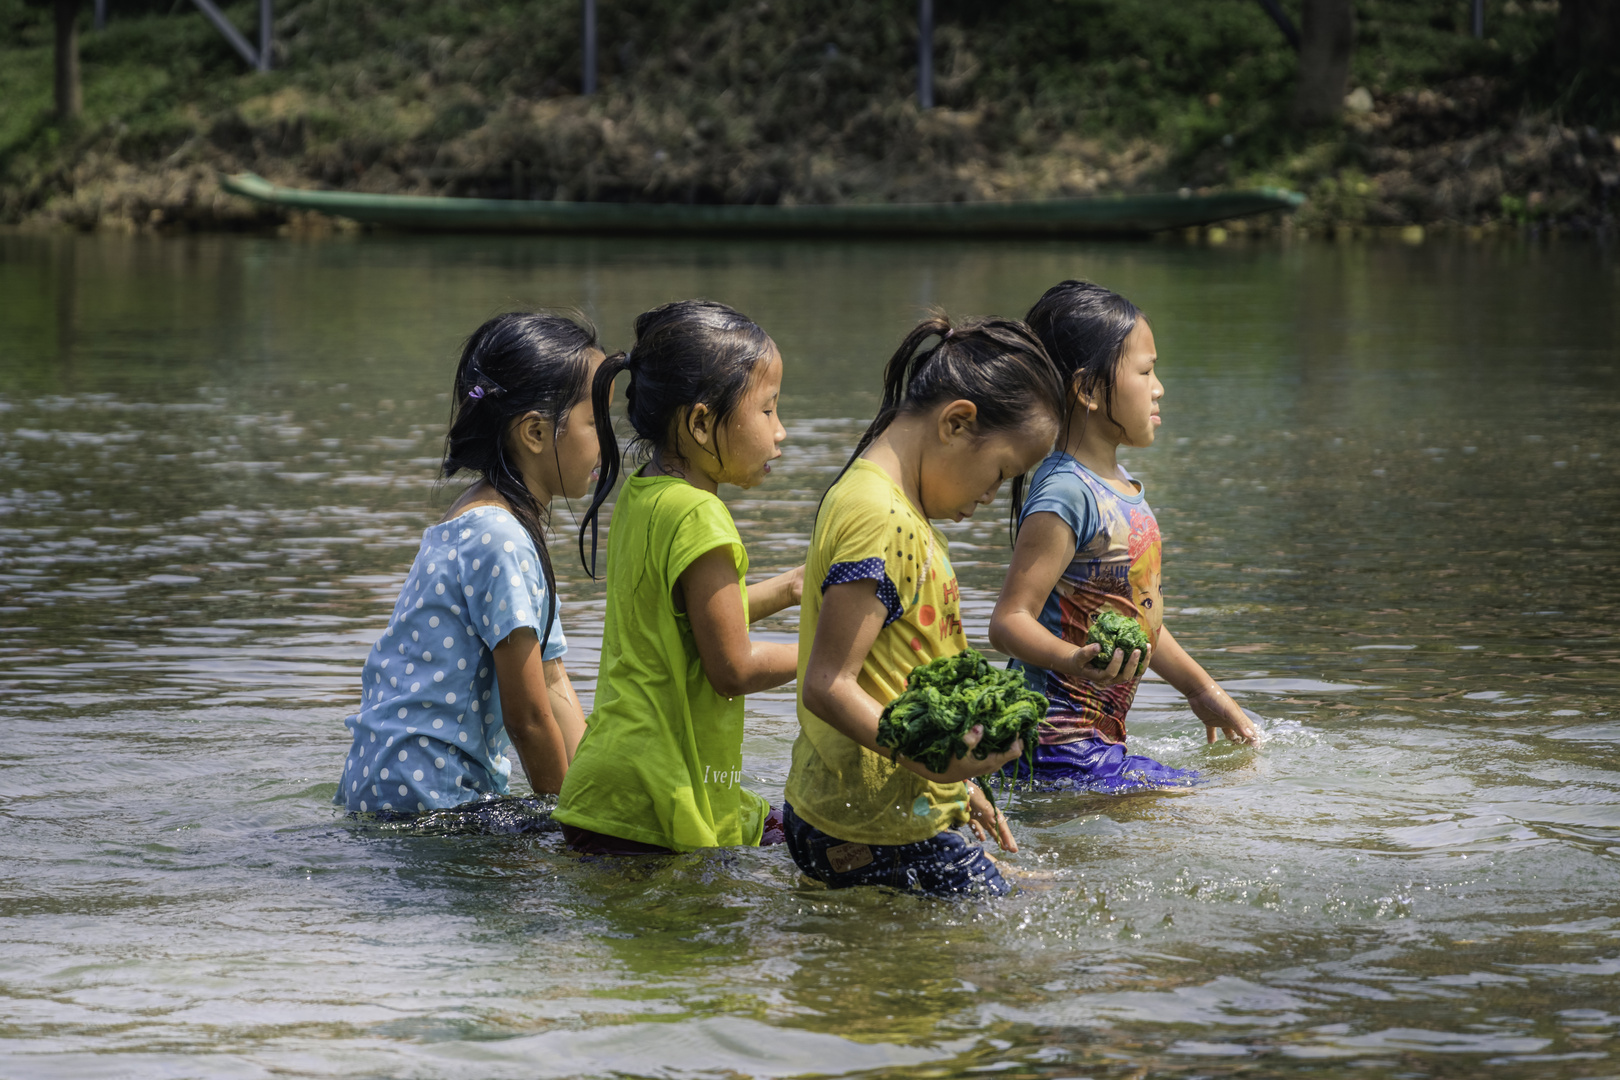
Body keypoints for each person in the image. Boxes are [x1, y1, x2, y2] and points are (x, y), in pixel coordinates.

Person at [782, 314, 1067, 897]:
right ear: (957, 422)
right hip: (872, 827)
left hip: (876, 814)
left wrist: (957, 787)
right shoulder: (880, 518)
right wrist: (931, 765)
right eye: (1000, 474)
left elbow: (899, 668)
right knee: (1048, 938)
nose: (990, 497)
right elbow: (828, 684)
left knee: (1036, 892)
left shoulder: (888, 505)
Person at [988, 280, 1260, 793]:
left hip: (1095, 746)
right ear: (1088, 389)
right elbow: (1007, 623)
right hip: (1053, 746)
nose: (1158, 387)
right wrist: (1071, 660)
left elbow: (1138, 616)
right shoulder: (1066, 491)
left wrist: (1201, 690)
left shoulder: (1120, 486)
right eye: (1145, 371)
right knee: (1214, 809)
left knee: (1220, 798)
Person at [552, 300, 803, 855]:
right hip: (658, 798)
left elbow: (689, 621)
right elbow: (732, 667)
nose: (780, 432)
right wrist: (828, 655)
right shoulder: (701, 514)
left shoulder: (644, 495)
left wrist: (789, 589)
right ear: (699, 421)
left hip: (606, 785)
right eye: (767, 411)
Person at [337, 313, 603, 814]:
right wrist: (572, 823)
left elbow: (551, 678)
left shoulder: (492, 517)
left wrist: (599, 792)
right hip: (427, 799)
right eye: (595, 423)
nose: (606, 443)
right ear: (536, 432)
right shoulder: (497, 536)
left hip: (394, 784)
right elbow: (528, 718)